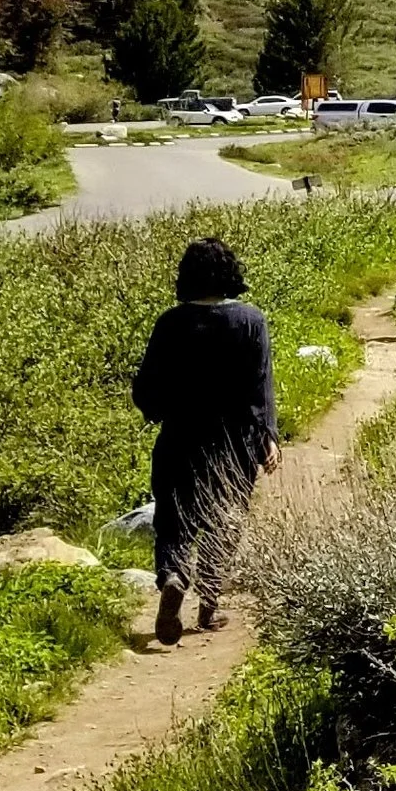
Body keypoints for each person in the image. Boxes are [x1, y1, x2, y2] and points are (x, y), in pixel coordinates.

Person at [129, 236, 280, 645]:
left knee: (174, 520)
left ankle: (174, 576)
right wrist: (268, 436)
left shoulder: (170, 323)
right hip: (235, 444)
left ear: (187, 278)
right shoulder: (251, 321)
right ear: (231, 274)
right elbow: (260, 387)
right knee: (225, 521)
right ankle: (209, 606)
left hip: (180, 438)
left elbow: (146, 390)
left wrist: (156, 409)